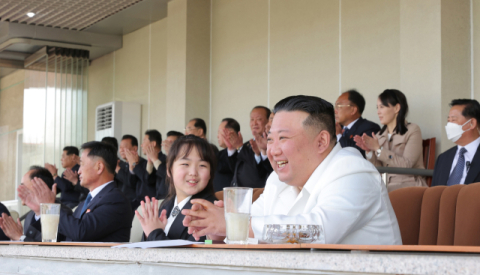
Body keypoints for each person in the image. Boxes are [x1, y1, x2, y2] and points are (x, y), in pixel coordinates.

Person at [182, 95, 402, 245]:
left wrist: (233, 224)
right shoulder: (277, 180)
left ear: (321, 141)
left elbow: (317, 231)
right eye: (269, 139)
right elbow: (250, 222)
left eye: (283, 138)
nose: (272, 150)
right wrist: (220, 230)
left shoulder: (354, 172)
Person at [17, 141, 132, 242]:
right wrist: (42, 210)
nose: (79, 171)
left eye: (81, 164)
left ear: (99, 167)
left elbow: (81, 232)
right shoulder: (85, 203)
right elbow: (56, 240)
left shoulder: (115, 199)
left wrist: (51, 206)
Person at [136, 135, 217, 241]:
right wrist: (149, 232)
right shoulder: (166, 204)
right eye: (185, 164)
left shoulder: (210, 211)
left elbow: (192, 255)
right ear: (169, 170)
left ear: (210, 173)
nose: (193, 173)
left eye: (202, 165)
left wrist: (154, 233)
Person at [355, 89, 427, 192]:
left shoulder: (413, 130)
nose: (378, 112)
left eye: (382, 107)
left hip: (409, 185)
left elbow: (407, 165)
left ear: (397, 108)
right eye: (377, 108)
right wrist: (369, 152)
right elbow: (377, 171)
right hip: (385, 185)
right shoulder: (379, 135)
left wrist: (379, 149)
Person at [0, 166, 63, 242]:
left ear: (40, 186)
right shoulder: (30, 216)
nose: (19, 190)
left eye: (23, 186)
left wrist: (20, 237)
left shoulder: (60, 212)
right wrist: (16, 238)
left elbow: (48, 249)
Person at [432, 99, 480, 186]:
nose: (449, 126)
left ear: (472, 123)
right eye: (448, 121)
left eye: (453, 120)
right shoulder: (443, 158)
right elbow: (434, 193)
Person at [223, 106, 273, 188]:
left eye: (259, 119)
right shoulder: (247, 144)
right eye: (252, 119)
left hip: (255, 193)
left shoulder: (271, 143)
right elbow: (235, 169)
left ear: (268, 121)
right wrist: (232, 148)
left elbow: (258, 170)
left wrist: (239, 147)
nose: (254, 123)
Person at [335, 90, 381, 157]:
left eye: (339, 106)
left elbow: (357, 154)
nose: (335, 111)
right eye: (335, 106)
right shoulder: (337, 129)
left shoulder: (369, 127)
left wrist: (339, 136)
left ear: (353, 110)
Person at [214, 118, 242, 192]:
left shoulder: (244, 153)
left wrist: (231, 149)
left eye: (219, 132)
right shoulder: (219, 154)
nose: (217, 136)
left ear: (230, 133)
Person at [142, 130, 168, 200]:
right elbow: (148, 181)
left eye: (144, 141)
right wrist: (150, 162)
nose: (142, 145)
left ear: (153, 143)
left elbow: (167, 175)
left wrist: (154, 160)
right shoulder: (148, 161)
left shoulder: (165, 159)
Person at [117, 135, 140, 207]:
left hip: (133, 205)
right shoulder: (122, 165)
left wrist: (117, 169)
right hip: (121, 203)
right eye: (120, 147)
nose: (121, 150)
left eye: (125, 147)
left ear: (135, 148)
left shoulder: (141, 163)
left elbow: (131, 182)